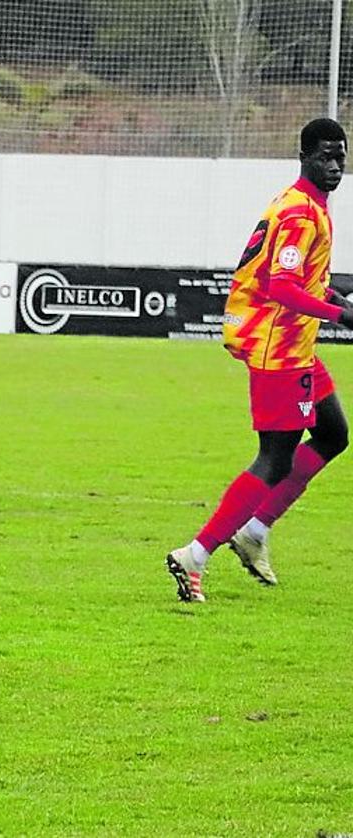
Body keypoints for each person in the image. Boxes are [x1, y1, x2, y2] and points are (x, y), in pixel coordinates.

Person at [167, 118, 353, 602]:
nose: (334, 165)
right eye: (325, 156)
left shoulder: (307, 205)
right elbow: (280, 287)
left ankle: (254, 531)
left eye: (341, 156)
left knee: (333, 435)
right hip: (279, 351)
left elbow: (286, 274)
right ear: (304, 157)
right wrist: (339, 314)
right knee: (274, 458)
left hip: (297, 346)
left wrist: (333, 296)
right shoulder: (298, 213)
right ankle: (195, 554)